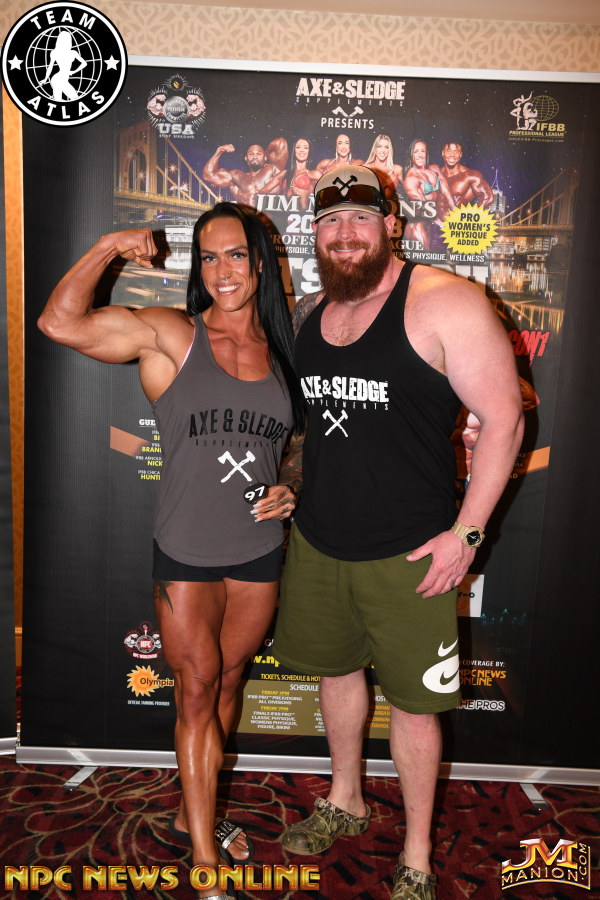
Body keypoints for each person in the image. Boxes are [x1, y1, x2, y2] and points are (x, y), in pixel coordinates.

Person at [38, 202, 304, 900]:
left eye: (237, 255)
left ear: (261, 263)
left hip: (258, 551)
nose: (223, 270)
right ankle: (204, 857)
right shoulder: (172, 335)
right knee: (195, 689)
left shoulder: (284, 351)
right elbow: (59, 323)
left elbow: (295, 447)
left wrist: (291, 488)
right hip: (186, 552)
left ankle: (195, 811)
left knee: (228, 685)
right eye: (209, 257)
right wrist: (107, 246)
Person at [271, 166, 524, 899]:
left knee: (415, 708)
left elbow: (505, 420)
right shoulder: (312, 314)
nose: (344, 233)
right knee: (336, 674)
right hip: (320, 541)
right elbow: (314, 428)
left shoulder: (446, 301)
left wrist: (466, 536)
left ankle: (415, 854)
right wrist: (290, 485)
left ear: (392, 226)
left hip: (412, 550)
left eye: (360, 217)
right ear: (314, 234)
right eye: (330, 221)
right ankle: (345, 797)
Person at [402, 139, 455, 250]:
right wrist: (441, 225)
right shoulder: (411, 178)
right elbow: (424, 209)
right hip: (418, 228)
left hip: (434, 225)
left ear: (426, 153)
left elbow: (448, 194)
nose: (420, 155)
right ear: (411, 155)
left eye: (423, 151)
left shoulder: (434, 169)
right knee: (425, 258)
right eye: (416, 151)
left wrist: (457, 217)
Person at [202, 140, 288, 207]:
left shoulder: (272, 170)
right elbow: (208, 176)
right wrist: (219, 150)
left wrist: (266, 154)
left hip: (269, 221)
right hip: (245, 220)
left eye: (259, 154)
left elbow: (281, 142)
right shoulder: (236, 176)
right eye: (251, 154)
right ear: (246, 158)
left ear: (265, 157)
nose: (255, 157)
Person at [433, 142, 493, 216]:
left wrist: (469, 217)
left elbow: (488, 197)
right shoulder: (434, 174)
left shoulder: (470, 176)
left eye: (456, 151)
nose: (452, 155)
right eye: (449, 151)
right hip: (434, 221)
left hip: (455, 222)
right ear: (443, 153)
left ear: (460, 154)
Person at [262, 137, 321, 210]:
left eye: (306, 148)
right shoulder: (284, 174)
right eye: (298, 147)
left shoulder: (314, 174)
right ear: (294, 150)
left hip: (304, 214)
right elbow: (262, 191)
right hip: (285, 214)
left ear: (309, 151)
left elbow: (327, 196)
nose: (302, 150)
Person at [365, 133, 403, 200]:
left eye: (386, 147)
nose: (383, 150)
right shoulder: (366, 168)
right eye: (379, 146)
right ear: (375, 149)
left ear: (389, 150)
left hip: (391, 205)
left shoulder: (397, 169)